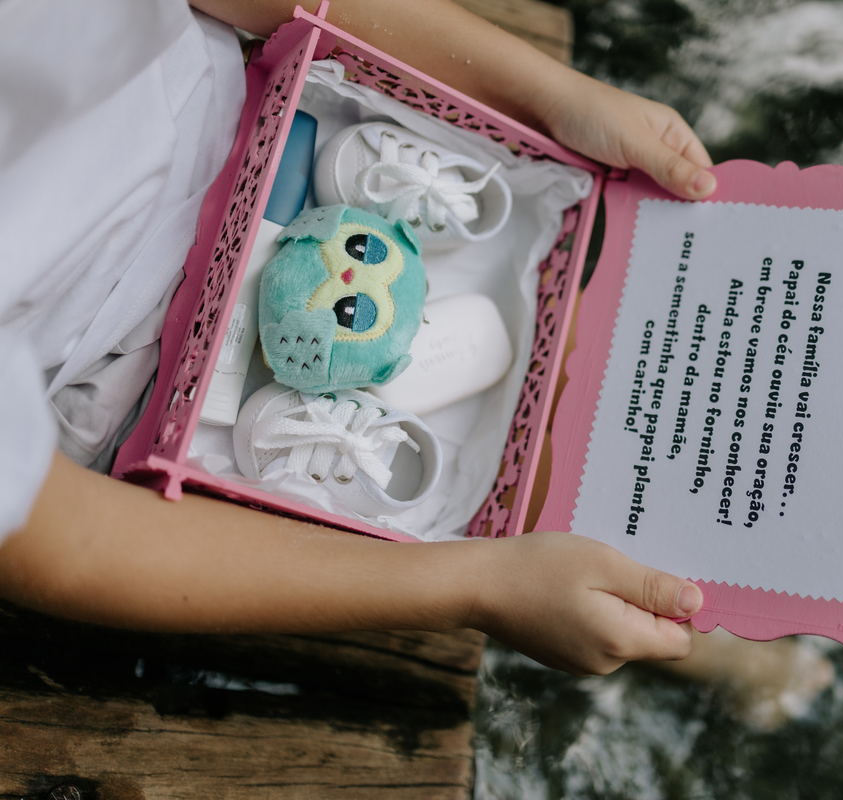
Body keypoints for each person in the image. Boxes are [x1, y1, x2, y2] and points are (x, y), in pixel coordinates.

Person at [0, 0, 716, 676]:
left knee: (606, 373)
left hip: (253, 115)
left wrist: (555, 97)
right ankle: (703, 639)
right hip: (129, 388)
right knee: (573, 489)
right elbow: (59, 538)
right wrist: (479, 585)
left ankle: (701, 631)